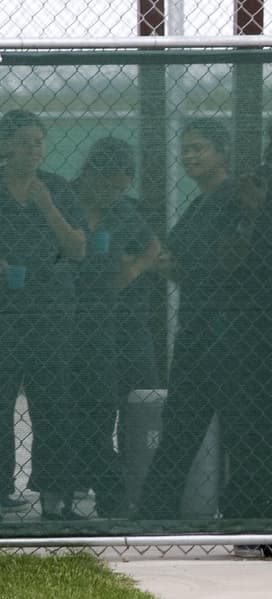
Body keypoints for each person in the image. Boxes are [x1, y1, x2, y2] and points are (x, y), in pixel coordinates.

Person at [136, 119, 272, 523]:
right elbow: (181, 266)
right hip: (198, 335)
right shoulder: (198, 206)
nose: (190, 156)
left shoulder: (235, 199)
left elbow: (230, 261)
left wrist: (188, 266)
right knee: (179, 430)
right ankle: (154, 516)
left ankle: (248, 513)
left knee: (241, 434)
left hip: (233, 339)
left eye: (199, 148)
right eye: (186, 149)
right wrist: (171, 266)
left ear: (221, 151)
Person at [71, 136, 165, 518]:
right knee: (92, 408)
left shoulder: (128, 211)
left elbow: (154, 247)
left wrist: (134, 268)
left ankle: (133, 486)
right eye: (107, 182)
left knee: (139, 401)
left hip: (127, 322)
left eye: (121, 183)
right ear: (89, 174)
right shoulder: (67, 202)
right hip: (81, 323)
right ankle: (107, 483)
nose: (113, 190)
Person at [0, 109, 87, 518]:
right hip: (5, 313)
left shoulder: (57, 188)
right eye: (24, 141)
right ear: (6, 144)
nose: (33, 150)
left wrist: (47, 206)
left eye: (39, 142)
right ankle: (2, 489)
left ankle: (56, 494)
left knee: (53, 401)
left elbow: (78, 248)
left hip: (51, 313)